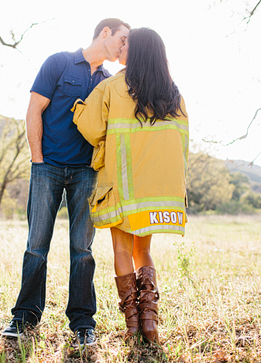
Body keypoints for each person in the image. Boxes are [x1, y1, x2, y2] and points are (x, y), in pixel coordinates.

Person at [1, 18, 131, 348]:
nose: (123, 46)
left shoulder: (109, 81)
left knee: (82, 251)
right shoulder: (58, 62)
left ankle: (83, 323)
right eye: (122, 39)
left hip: (86, 172)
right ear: (106, 32)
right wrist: (38, 159)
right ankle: (24, 317)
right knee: (36, 245)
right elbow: (34, 110)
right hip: (48, 168)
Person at [72, 27, 188, 344]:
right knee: (144, 252)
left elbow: (93, 130)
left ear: (134, 52)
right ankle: (151, 324)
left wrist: (79, 108)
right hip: (153, 190)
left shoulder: (111, 87)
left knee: (122, 250)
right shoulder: (173, 93)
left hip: (122, 187)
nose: (122, 47)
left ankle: (134, 325)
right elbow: (182, 144)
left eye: (127, 43)